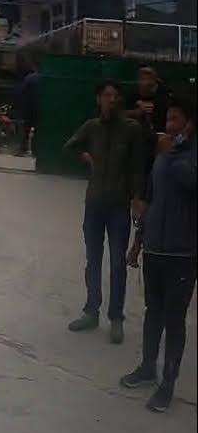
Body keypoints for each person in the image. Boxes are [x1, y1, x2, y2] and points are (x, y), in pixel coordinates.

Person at [119, 99, 195, 413]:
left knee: (174, 319)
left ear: (191, 124)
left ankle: (168, 382)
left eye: (176, 119)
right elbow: (152, 199)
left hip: (182, 254)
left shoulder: (182, 156)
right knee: (153, 311)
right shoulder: (163, 156)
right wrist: (139, 241)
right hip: (154, 249)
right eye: (168, 119)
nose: (170, 125)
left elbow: (190, 182)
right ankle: (148, 366)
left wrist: (170, 155)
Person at [64, 80, 145, 343]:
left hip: (119, 206)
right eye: (106, 95)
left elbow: (137, 167)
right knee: (93, 259)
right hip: (95, 203)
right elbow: (71, 145)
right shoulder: (92, 127)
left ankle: (116, 317)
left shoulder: (130, 130)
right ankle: (91, 311)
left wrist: (137, 199)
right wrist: (87, 158)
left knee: (118, 263)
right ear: (98, 99)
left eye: (115, 95)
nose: (112, 99)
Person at [124, 66, 173, 182]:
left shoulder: (165, 95)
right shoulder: (132, 94)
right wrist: (137, 112)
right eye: (141, 81)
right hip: (137, 141)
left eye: (149, 84)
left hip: (159, 140)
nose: (144, 85)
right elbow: (119, 113)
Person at [13, 63, 40, 157]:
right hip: (39, 107)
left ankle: (21, 149)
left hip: (28, 107)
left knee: (25, 129)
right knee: (38, 130)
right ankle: (36, 151)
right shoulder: (44, 78)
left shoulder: (30, 78)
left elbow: (22, 91)